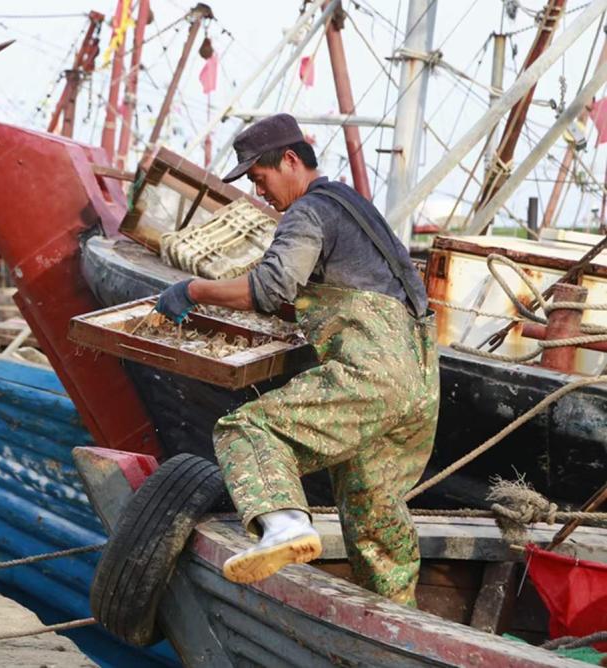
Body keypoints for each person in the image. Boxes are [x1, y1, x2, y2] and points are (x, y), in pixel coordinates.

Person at [155, 114, 439, 606]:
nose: (258, 191)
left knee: (247, 429)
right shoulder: (355, 208)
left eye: (259, 179)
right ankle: (400, 622)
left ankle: (284, 527)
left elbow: (270, 287)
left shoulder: (308, 212)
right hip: (419, 383)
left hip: (371, 373)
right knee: (371, 509)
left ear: (290, 160)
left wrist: (194, 289)